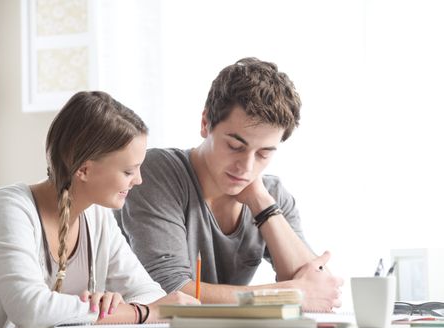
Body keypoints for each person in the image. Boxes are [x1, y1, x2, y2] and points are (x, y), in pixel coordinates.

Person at [0, 91, 198, 328]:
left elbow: (150, 294)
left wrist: (115, 307)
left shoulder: (97, 218)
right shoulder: (8, 210)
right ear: (84, 170)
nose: (139, 180)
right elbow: (31, 310)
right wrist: (131, 312)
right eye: (128, 171)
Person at [115, 58, 343, 312]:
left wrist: (262, 204)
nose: (246, 167)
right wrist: (287, 295)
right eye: (235, 147)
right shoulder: (156, 172)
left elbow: (317, 290)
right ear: (205, 123)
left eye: (264, 154)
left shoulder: (272, 195)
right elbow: (171, 291)